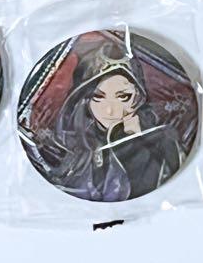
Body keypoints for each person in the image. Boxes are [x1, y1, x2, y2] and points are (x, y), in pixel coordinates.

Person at [48, 39, 185, 201]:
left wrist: (135, 142)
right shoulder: (67, 141)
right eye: (98, 97)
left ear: (138, 97)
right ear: (83, 99)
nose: (110, 110)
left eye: (123, 97)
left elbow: (161, 191)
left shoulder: (161, 140)